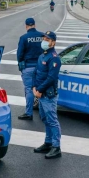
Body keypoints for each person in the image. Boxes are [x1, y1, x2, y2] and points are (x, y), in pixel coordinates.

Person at [32, 31, 62, 159]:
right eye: (44, 38)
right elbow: (35, 72)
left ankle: (56, 147)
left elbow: (51, 78)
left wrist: (39, 89)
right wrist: (34, 87)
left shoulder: (54, 58)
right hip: (40, 93)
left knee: (52, 120)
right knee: (44, 118)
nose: (44, 41)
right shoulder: (42, 55)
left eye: (47, 39)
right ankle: (48, 142)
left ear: (53, 42)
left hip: (48, 95)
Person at [17, 18, 43, 120]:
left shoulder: (24, 38)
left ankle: (29, 113)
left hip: (28, 67)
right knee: (41, 89)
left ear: (26, 26)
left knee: (29, 90)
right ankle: (43, 113)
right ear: (35, 25)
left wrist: (21, 65)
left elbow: (19, 55)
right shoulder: (42, 35)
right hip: (41, 67)